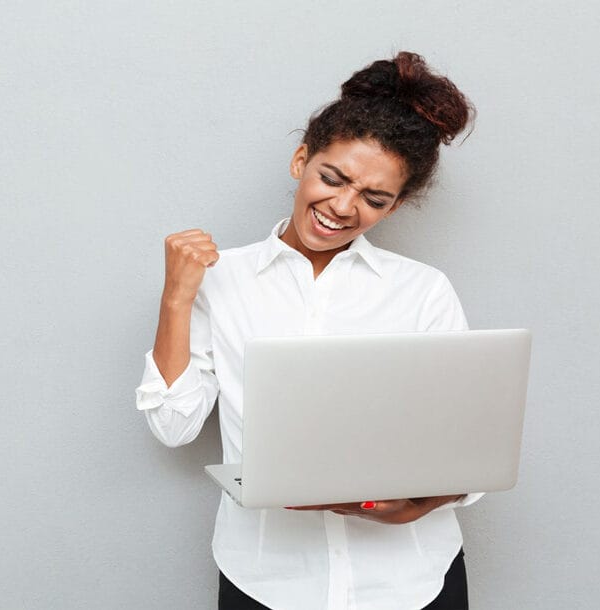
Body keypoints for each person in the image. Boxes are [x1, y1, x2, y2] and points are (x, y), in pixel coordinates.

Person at [135, 51, 482, 610]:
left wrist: (418, 503)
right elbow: (174, 426)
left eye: (374, 199)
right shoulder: (220, 281)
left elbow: (468, 446)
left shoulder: (423, 290)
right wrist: (177, 296)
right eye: (332, 177)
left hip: (410, 581)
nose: (343, 207)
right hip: (269, 581)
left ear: (393, 208)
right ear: (301, 160)